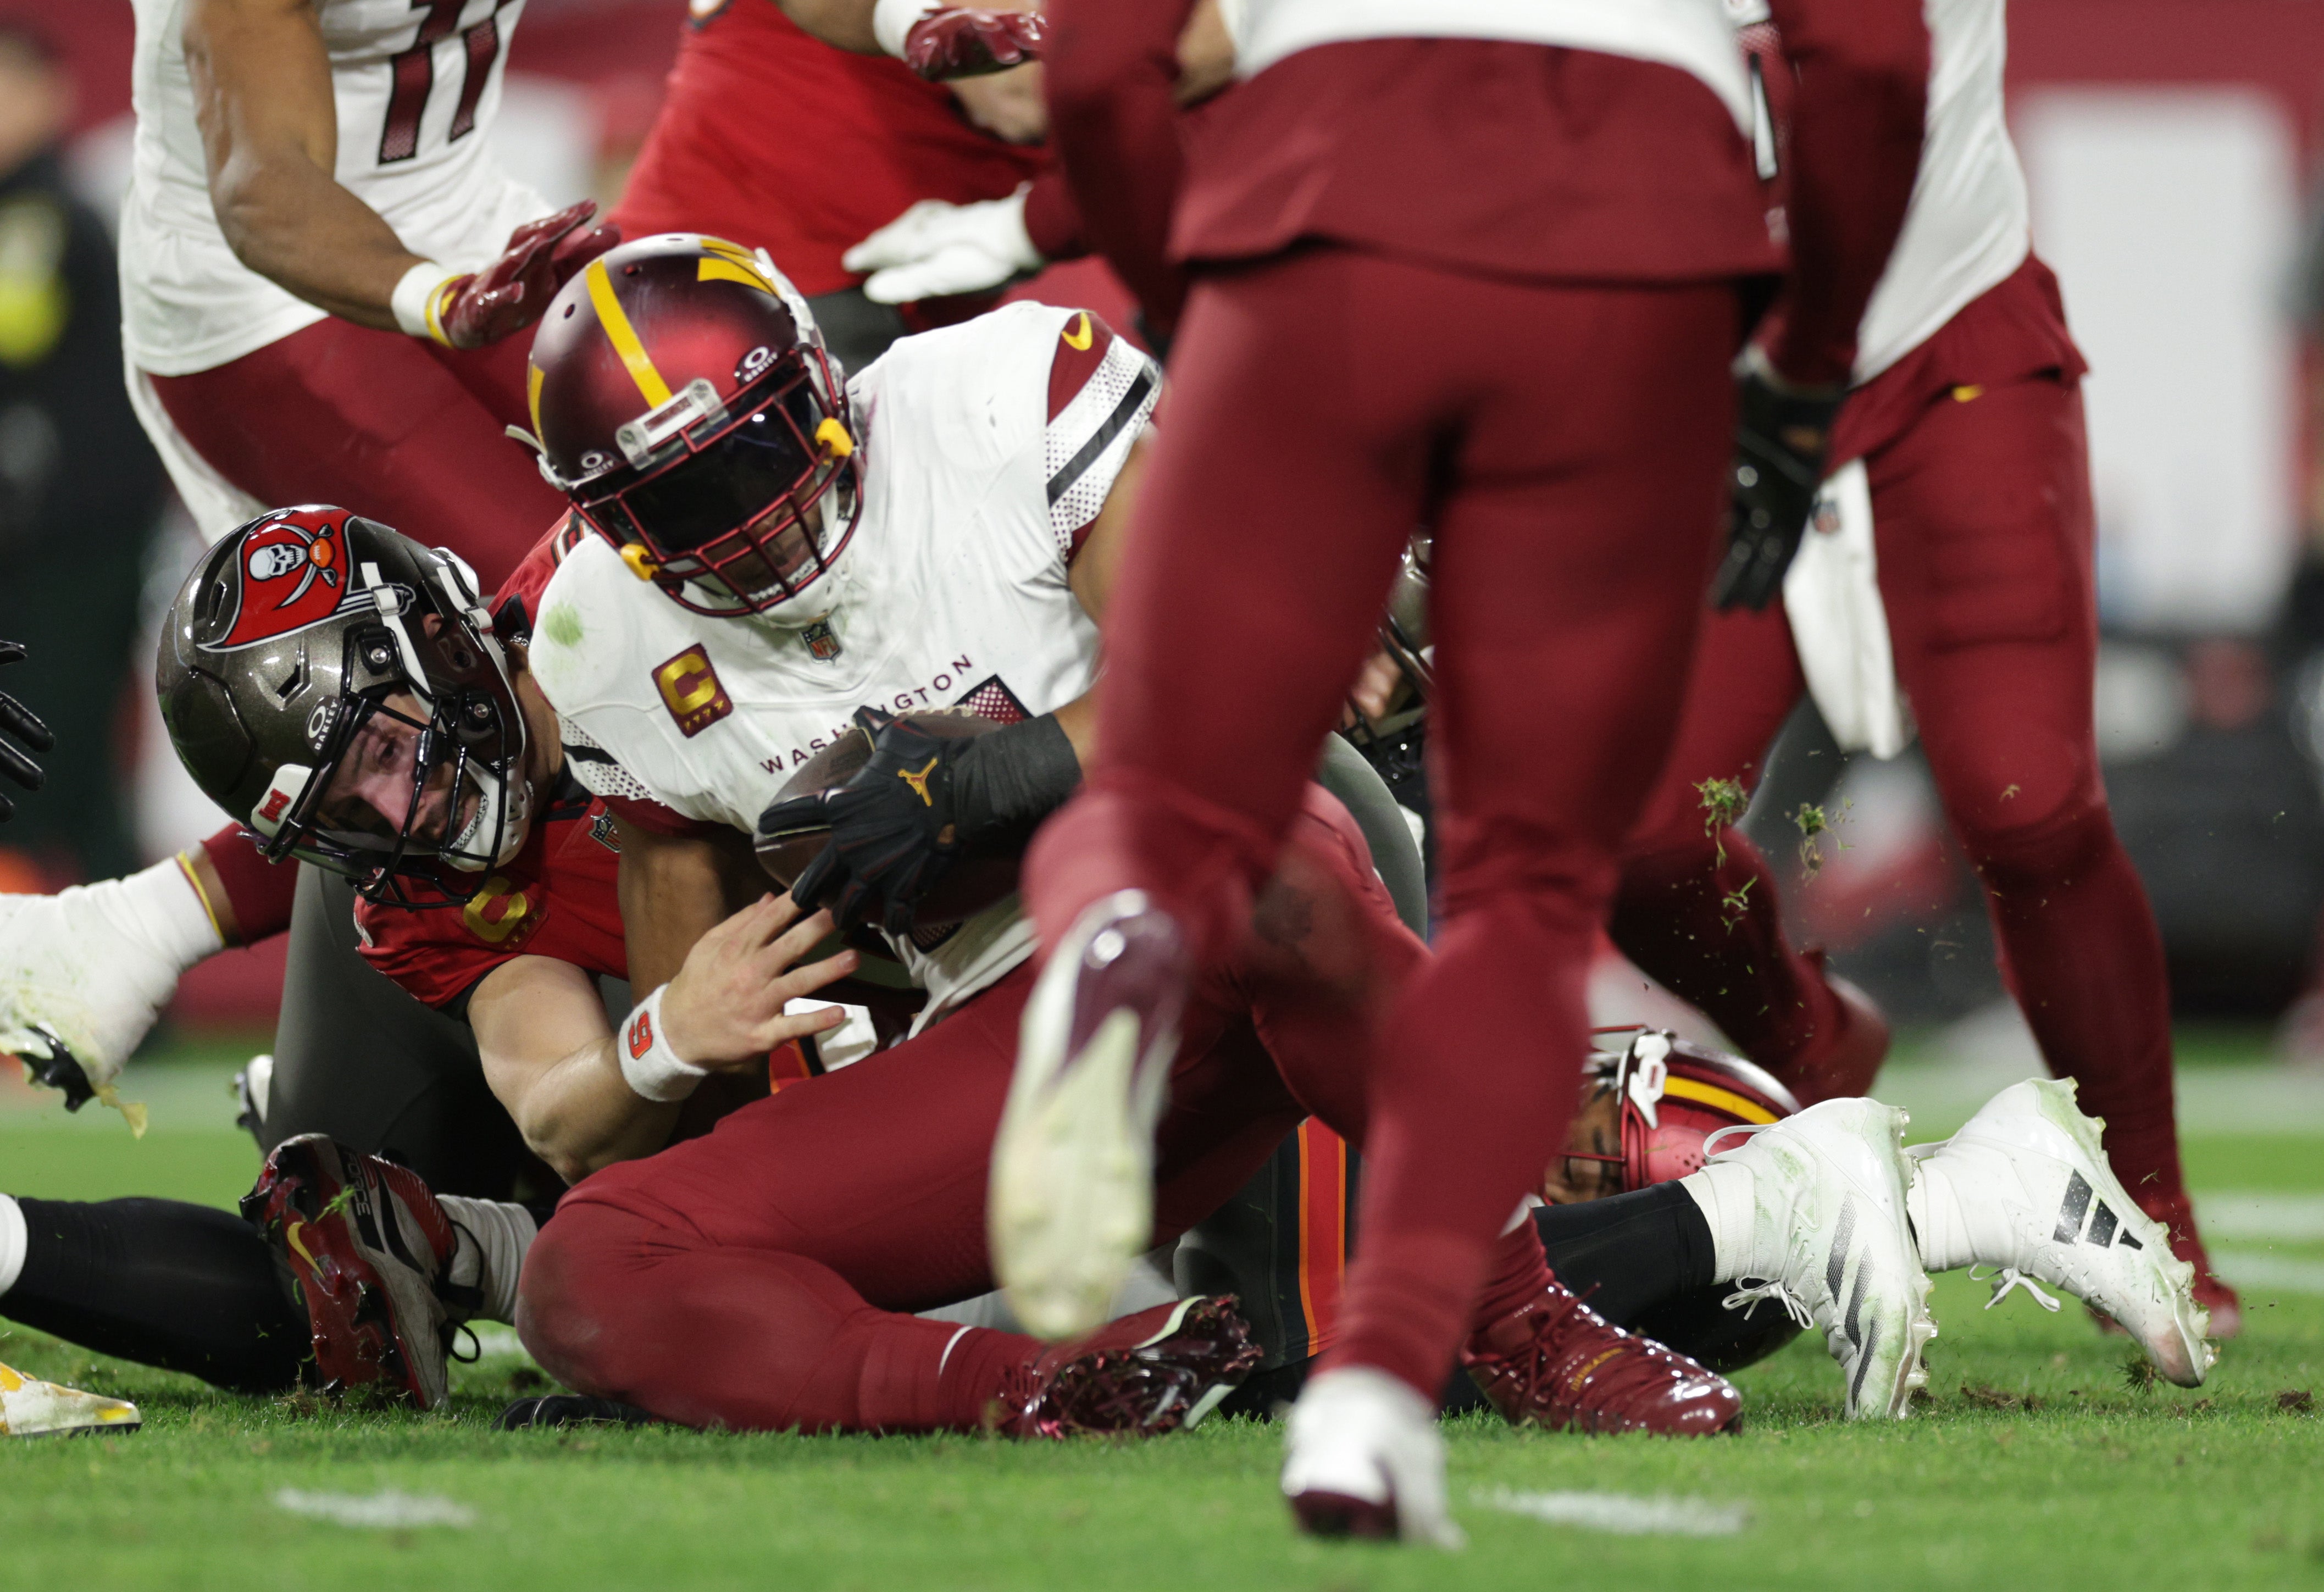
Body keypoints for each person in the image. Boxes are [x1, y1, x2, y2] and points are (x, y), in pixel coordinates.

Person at [993, 0, 1932, 1543]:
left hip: (1317, 206)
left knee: (1164, 807)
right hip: (1634, 248)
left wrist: (1208, 302)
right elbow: (1878, 65)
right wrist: (1807, 359)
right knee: (1525, 898)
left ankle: (1125, 940)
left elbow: (1098, 67)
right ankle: (1371, 1400)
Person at [1602, 0, 2240, 1334]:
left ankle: (2148, 1200)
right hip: (1708, 390)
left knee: (2031, 806)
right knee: (1638, 836)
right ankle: (1811, 1044)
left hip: (1949, 351)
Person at [118, 0, 618, 583]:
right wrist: (439, 299)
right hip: (268, 291)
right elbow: (264, 195)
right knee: (557, 597)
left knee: (702, 490)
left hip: (475, 216)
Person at [0, 23, 168, 885]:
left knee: (45, 754)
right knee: (74, 766)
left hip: (72, 539)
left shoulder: (42, 213)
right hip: (58, 534)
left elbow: (16, 329)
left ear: (48, 97)